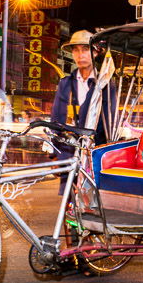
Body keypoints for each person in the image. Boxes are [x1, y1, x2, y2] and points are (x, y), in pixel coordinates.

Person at [51, 29, 116, 193]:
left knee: (92, 200)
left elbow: (110, 120)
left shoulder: (105, 83)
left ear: (95, 53)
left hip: (94, 151)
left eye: (85, 49)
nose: (80, 55)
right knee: (69, 201)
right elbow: (56, 120)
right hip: (68, 151)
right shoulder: (65, 83)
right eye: (76, 50)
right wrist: (55, 154)